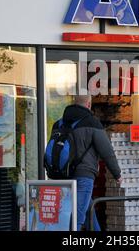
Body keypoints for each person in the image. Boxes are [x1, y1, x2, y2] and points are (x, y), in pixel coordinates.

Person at [51, 95, 122, 231]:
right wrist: (117, 174)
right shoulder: (92, 123)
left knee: (89, 211)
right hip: (84, 176)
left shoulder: (59, 123)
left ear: (74, 103)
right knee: (77, 219)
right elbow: (107, 151)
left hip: (63, 175)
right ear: (89, 104)